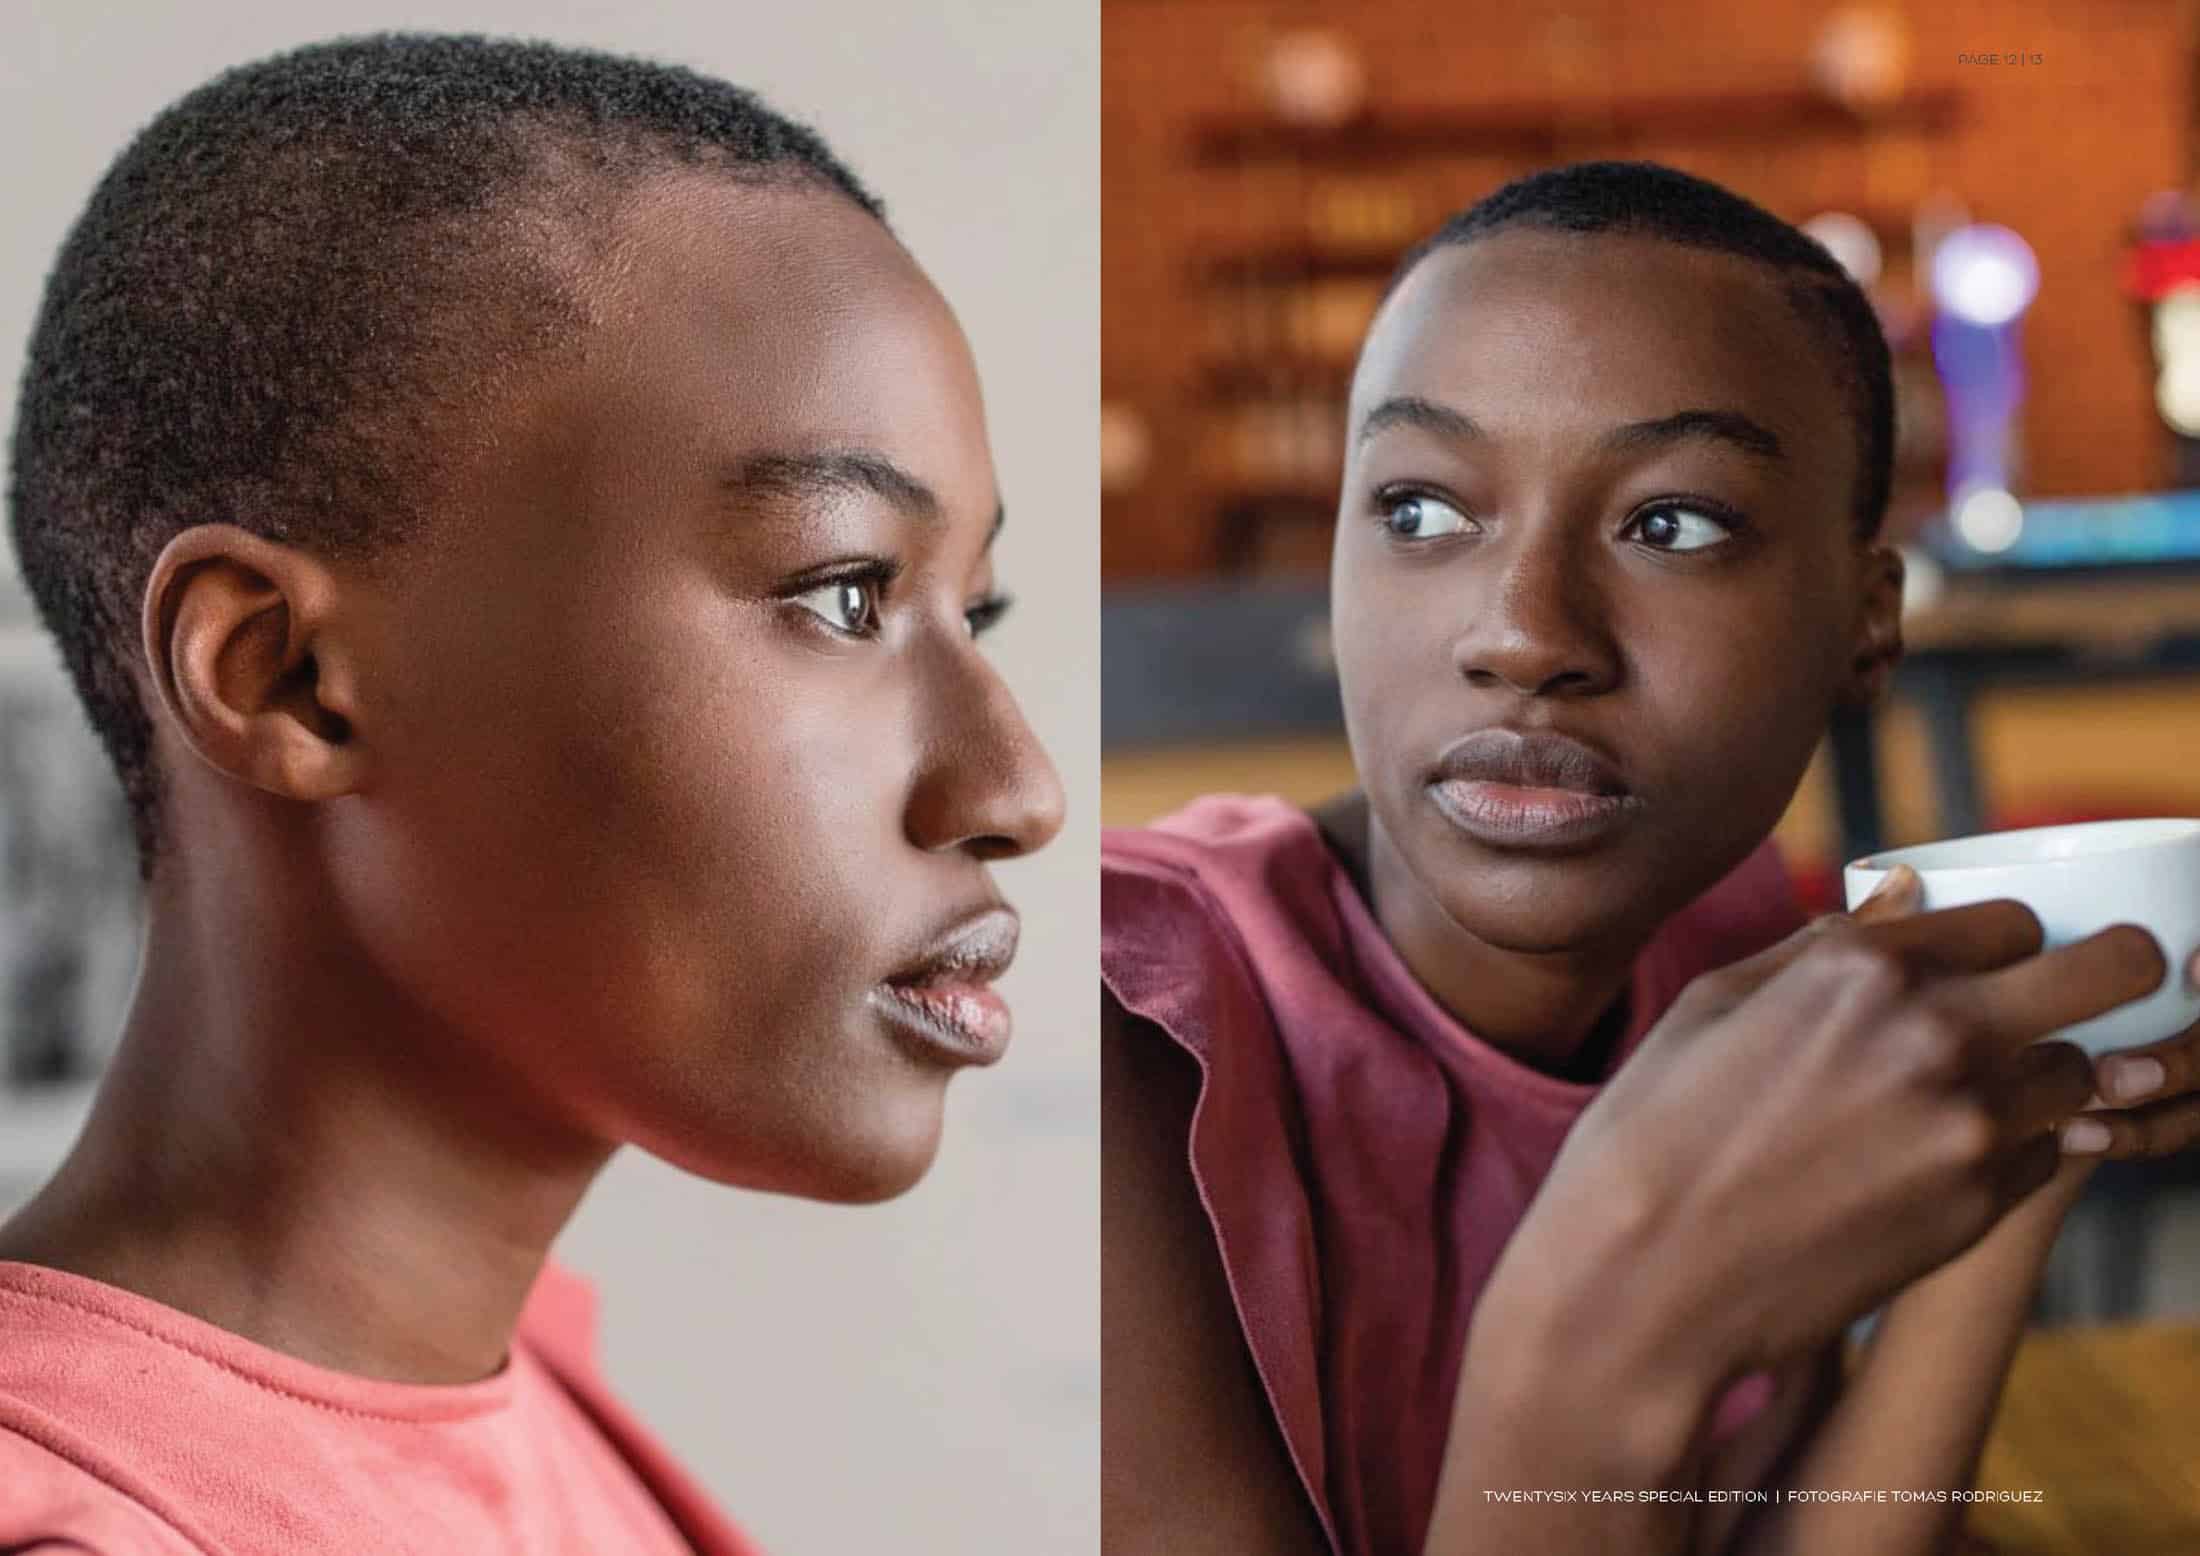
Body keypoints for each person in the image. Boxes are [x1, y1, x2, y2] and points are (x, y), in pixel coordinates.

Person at [0, 31, 1064, 1553]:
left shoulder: (535, 1397)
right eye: (843, 594)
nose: (1015, 789)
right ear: (283, 677)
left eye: (979, 614)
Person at [1101, 160, 2200, 1556]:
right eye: (1424, 510)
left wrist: (2029, 1141)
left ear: (1867, 623)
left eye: (1669, 523)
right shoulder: (1110, 1036)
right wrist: (1596, 1342)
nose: (1523, 630)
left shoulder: (1722, 945)